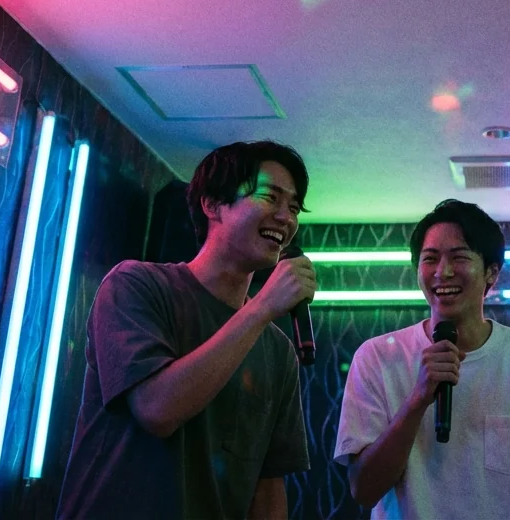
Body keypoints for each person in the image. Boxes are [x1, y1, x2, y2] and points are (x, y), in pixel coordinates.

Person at [57, 141, 317, 519]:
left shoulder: (278, 352)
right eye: (269, 197)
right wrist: (262, 309)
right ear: (212, 204)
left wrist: (260, 314)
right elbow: (156, 409)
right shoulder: (136, 285)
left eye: (293, 207)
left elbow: (267, 486)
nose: (285, 218)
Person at [334, 199, 510, 519]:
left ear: (491, 272)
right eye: (430, 259)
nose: (442, 272)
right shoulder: (376, 357)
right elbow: (364, 490)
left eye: (459, 257)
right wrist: (417, 399)